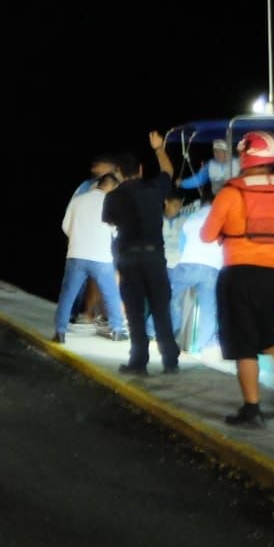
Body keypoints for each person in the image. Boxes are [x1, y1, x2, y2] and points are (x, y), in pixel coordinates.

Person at [200, 129, 274, 427]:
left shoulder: (231, 193)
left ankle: (252, 409)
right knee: (263, 334)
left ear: (245, 156)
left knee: (243, 346)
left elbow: (207, 236)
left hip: (238, 274)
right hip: (273, 276)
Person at [102, 137, 181, 376]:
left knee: (135, 313)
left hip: (129, 259)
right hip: (154, 258)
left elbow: (110, 222)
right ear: (141, 170)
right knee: (160, 310)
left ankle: (139, 362)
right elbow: (168, 170)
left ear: (117, 173)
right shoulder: (154, 188)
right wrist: (158, 148)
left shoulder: (112, 197)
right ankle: (170, 361)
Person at [51, 172, 122, 344]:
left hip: (76, 254)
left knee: (67, 294)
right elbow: (116, 231)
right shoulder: (111, 203)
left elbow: (65, 226)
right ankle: (117, 330)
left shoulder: (77, 200)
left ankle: (60, 332)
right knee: (111, 294)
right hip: (101, 257)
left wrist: (78, 238)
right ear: (111, 187)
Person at [171, 199, 223, 355]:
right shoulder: (222, 216)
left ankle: (155, 332)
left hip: (188, 263)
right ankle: (203, 347)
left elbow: (181, 245)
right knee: (208, 310)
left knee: (171, 299)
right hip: (212, 268)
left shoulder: (192, 218)